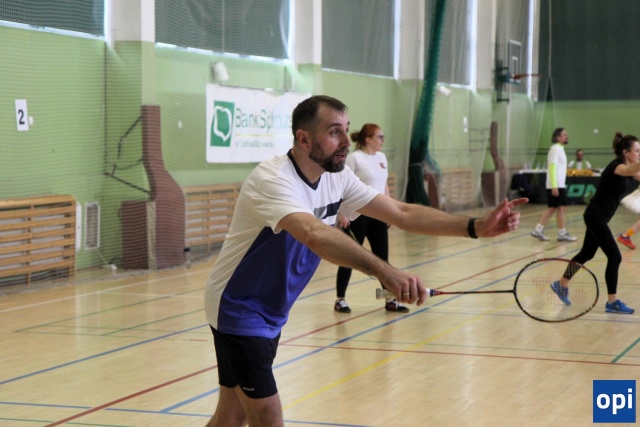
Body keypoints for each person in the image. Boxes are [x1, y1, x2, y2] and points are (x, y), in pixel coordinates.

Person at [203, 95, 527, 427]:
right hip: (238, 305)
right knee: (267, 416)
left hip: (271, 308)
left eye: (347, 129)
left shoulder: (337, 176)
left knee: (231, 415)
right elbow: (314, 233)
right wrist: (384, 272)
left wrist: (475, 227)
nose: (346, 141)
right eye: (334, 132)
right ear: (304, 138)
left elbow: (401, 212)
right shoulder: (273, 179)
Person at [550, 132, 640, 315]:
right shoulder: (617, 166)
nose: (639, 153)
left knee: (587, 253)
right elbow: (627, 171)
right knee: (615, 257)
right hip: (595, 215)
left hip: (600, 217)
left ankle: (561, 284)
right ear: (626, 152)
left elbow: (635, 173)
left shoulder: (633, 172)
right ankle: (612, 302)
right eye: (637, 150)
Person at [334, 123, 408, 313]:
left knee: (382, 259)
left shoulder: (382, 157)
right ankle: (340, 299)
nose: (383, 140)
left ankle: (389, 299)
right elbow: (342, 185)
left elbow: (384, 186)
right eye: (380, 137)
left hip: (378, 215)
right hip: (357, 215)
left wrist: (390, 210)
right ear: (368, 139)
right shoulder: (354, 158)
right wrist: (342, 213)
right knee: (349, 257)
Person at [530, 127, 578, 242]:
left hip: (559, 184)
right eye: (564, 135)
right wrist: (554, 185)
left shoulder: (560, 149)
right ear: (558, 137)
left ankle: (539, 230)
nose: (566, 136)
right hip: (556, 185)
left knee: (556, 208)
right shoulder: (555, 149)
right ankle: (560, 233)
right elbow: (552, 167)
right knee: (558, 208)